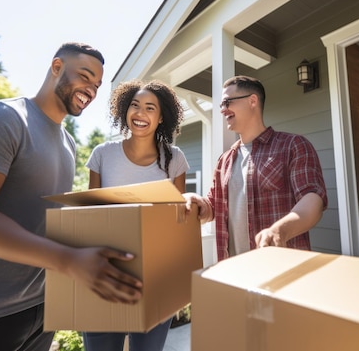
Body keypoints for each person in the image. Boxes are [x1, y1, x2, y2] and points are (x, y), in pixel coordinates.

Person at [0, 42, 143, 351]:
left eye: (96, 85)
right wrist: (67, 260)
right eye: (84, 76)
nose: (91, 90)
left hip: (40, 308)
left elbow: (43, 218)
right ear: (56, 67)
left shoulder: (68, 144)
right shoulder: (0, 119)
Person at [82, 79, 189, 351]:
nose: (140, 113)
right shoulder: (103, 154)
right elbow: (89, 215)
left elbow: (178, 222)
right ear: (124, 110)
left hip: (155, 276)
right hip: (106, 271)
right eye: (135, 105)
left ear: (162, 116)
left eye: (150, 108)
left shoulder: (174, 159)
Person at [185, 75, 328, 260]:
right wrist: (196, 201)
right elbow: (212, 208)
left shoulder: (293, 145)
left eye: (227, 102)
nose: (222, 110)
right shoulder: (224, 160)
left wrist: (280, 231)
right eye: (221, 105)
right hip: (234, 272)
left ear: (252, 101)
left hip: (282, 267)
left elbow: (313, 199)